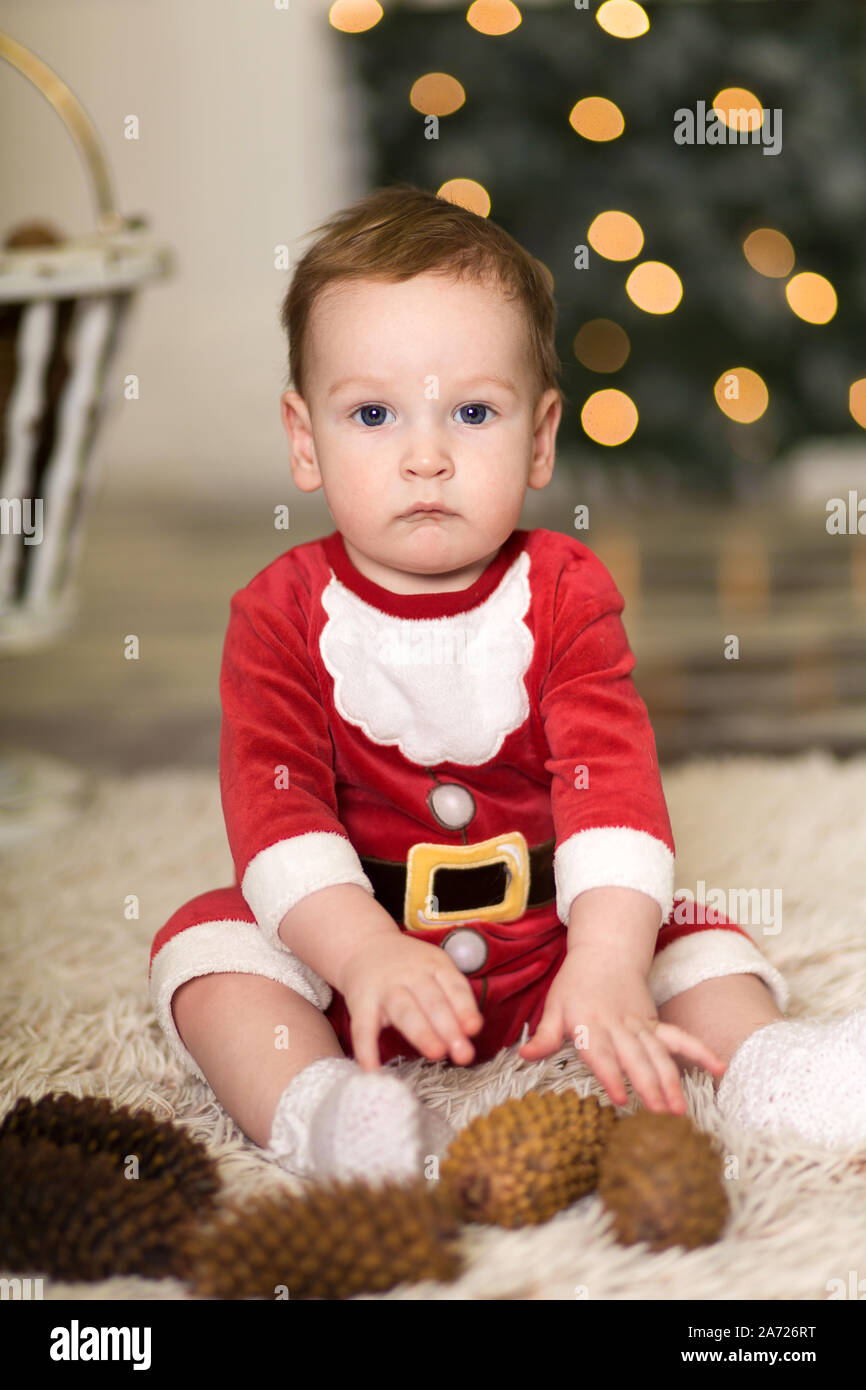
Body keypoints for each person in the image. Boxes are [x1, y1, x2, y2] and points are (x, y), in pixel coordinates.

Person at [148, 185, 865, 1184]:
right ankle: (323, 1109)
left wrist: (609, 961)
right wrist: (360, 955)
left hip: (554, 952)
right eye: (372, 413)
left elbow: (609, 787)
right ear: (304, 439)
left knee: (692, 935)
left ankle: (768, 1070)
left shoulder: (565, 593)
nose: (426, 456)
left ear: (537, 439)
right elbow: (278, 812)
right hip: (360, 960)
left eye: (473, 411)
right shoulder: (276, 615)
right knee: (210, 952)